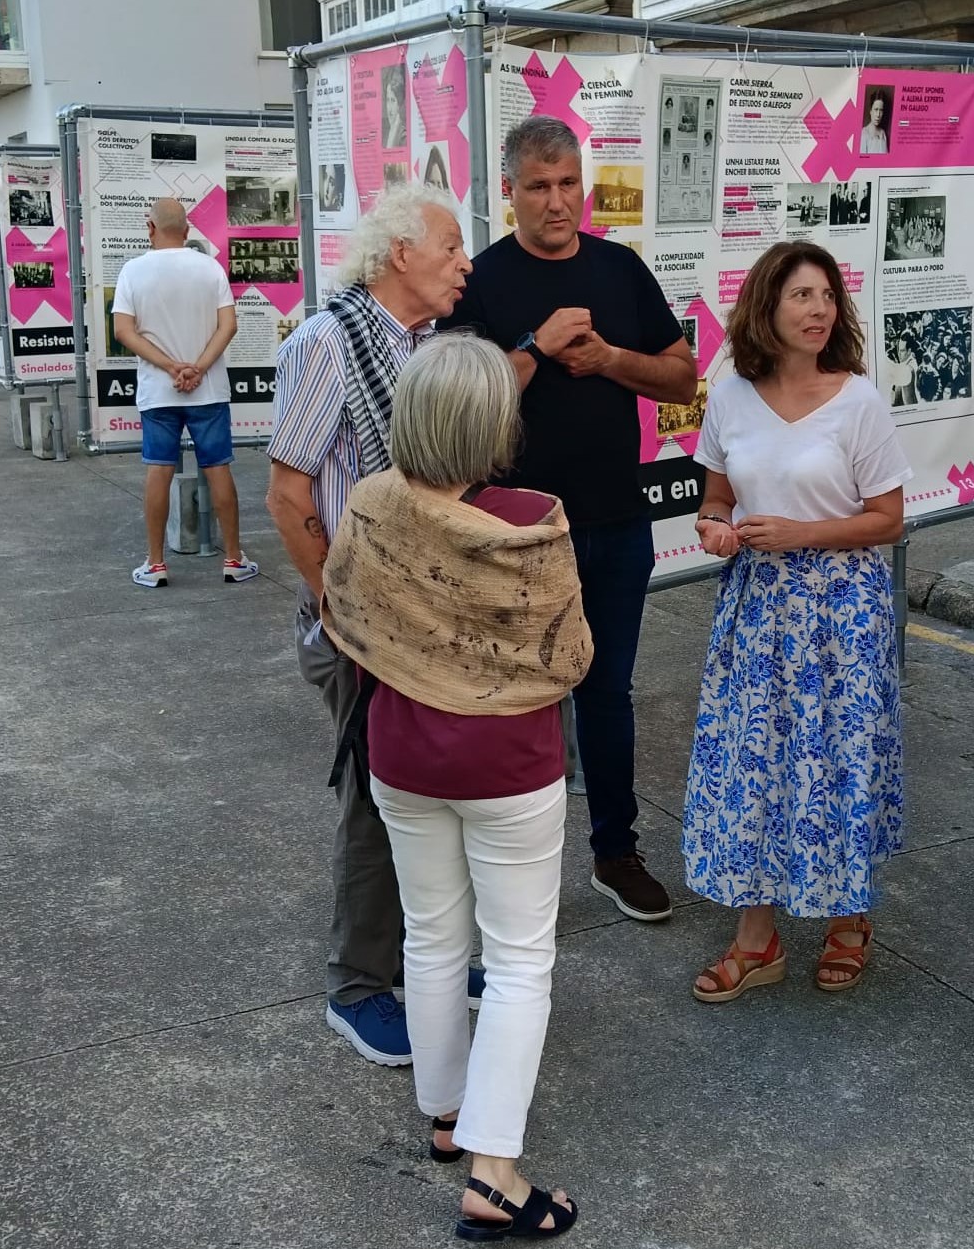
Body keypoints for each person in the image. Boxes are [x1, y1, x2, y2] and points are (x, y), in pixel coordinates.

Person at [322, 334, 590, 1241]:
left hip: (401, 754)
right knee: (518, 962)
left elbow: (344, 612)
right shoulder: (533, 519)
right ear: (495, 425)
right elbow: (571, 654)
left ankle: (446, 1114)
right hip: (509, 763)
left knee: (432, 938)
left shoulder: (372, 505)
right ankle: (493, 1172)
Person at [439, 115, 698, 923]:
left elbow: (681, 376)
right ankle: (511, 868)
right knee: (514, 699)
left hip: (617, 520)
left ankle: (615, 852)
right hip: (515, 532)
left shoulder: (620, 268)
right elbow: (459, 400)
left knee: (607, 693)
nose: (557, 202)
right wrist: (536, 344)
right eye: (539, 187)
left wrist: (611, 358)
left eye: (569, 184)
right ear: (508, 191)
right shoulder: (480, 281)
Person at [265, 184, 473, 1067]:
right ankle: (357, 985)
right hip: (360, 622)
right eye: (451, 247)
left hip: (422, 614)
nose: (466, 263)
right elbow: (288, 494)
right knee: (374, 795)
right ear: (401, 255)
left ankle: (424, 957)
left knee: (428, 792)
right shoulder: (328, 343)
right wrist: (338, 607)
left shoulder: (422, 345)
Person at [682, 241, 910, 1003]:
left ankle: (850, 918)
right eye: (802, 296)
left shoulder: (857, 401)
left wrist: (801, 532)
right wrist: (716, 526)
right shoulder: (730, 397)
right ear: (766, 308)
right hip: (758, 607)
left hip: (843, 611)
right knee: (754, 765)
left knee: (839, 756)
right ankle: (758, 939)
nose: (819, 311)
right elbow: (717, 496)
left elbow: (888, 520)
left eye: (828, 296)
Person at [112, 198, 255, 588]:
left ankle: (155, 563)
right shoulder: (210, 268)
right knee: (218, 468)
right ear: (187, 231)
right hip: (208, 390)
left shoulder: (132, 271)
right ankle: (233, 559)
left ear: (150, 228)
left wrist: (171, 367)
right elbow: (228, 326)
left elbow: (123, 331)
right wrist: (199, 368)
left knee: (159, 469)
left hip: (159, 391)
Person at [382, 65, 407, 149]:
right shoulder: (385, 133)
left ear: (399, 104)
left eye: (393, 101)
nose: (389, 109)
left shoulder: (404, 137)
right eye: (388, 100)